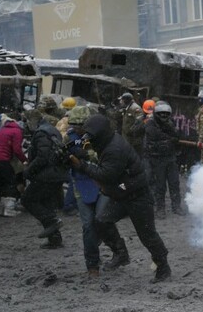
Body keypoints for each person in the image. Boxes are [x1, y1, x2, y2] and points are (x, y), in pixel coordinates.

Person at [70, 114, 172, 283]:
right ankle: (120, 253)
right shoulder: (107, 141)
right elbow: (87, 148)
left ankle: (163, 266)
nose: (88, 138)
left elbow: (106, 175)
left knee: (147, 234)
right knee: (101, 221)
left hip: (137, 194)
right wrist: (74, 150)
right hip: (122, 192)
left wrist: (82, 165)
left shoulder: (114, 149)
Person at [64, 106, 115, 277]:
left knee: (102, 220)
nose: (78, 129)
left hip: (102, 182)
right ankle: (92, 264)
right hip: (82, 183)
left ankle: (118, 251)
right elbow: (75, 149)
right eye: (75, 125)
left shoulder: (101, 136)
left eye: (81, 126)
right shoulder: (71, 137)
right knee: (88, 225)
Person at [21, 109, 69, 249]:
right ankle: (55, 239)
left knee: (28, 199)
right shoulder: (51, 130)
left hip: (47, 174)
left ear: (31, 120)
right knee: (46, 204)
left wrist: (28, 171)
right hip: (56, 173)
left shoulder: (41, 132)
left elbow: (43, 156)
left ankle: (52, 221)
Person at [144, 102, 183, 218]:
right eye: (161, 114)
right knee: (160, 185)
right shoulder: (150, 123)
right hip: (157, 158)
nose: (164, 116)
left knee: (174, 183)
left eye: (166, 114)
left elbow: (176, 136)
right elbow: (154, 136)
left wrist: (171, 140)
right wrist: (169, 140)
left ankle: (176, 207)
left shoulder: (170, 123)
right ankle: (160, 208)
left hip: (170, 158)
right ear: (156, 114)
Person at [0, 114, 26, 217]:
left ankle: (2, 209)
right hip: (1, 158)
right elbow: (17, 149)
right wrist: (25, 160)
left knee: (2, 183)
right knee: (10, 182)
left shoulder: (3, 129)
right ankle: (9, 209)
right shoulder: (17, 131)